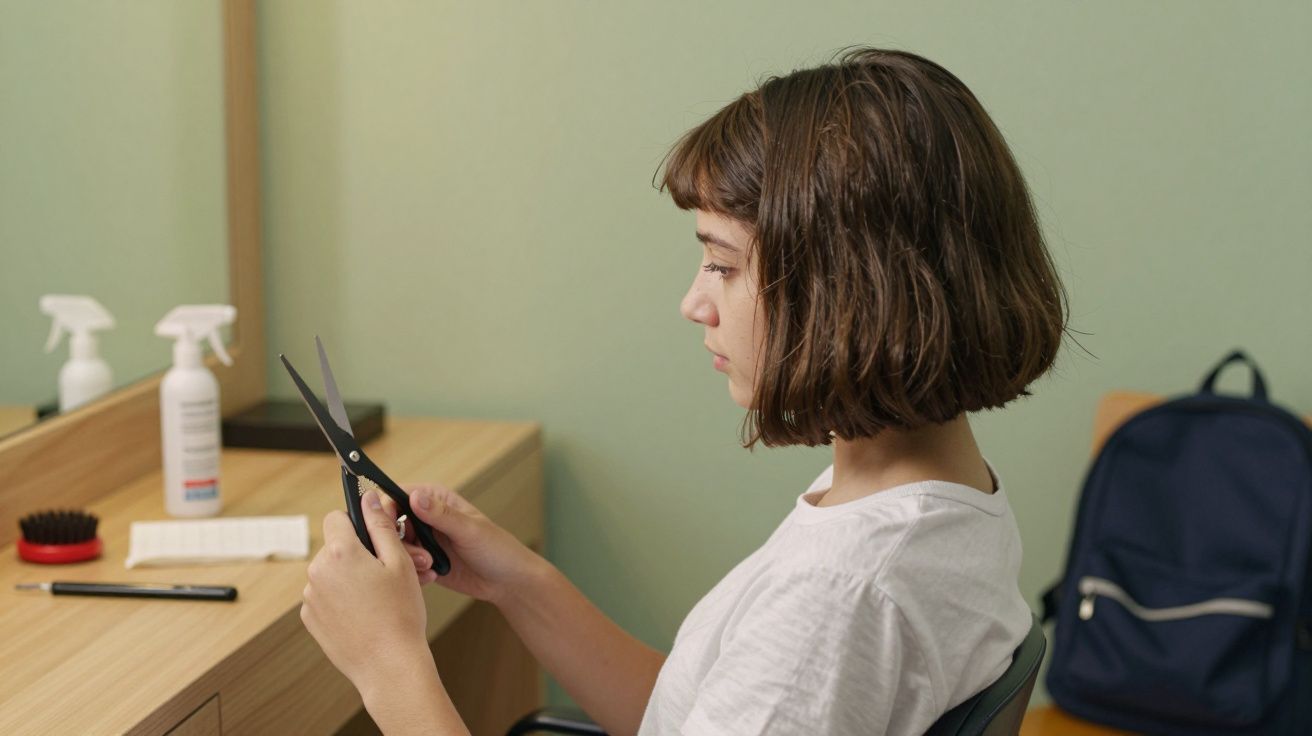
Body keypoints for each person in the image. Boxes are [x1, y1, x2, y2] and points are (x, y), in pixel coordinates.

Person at [299, 47, 1069, 735]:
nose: (694, 303)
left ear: (847, 288)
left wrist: (388, 667)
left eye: (724, 265)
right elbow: (696, 711)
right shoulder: (920, 502)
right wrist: (518, 582)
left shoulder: (843, 595)